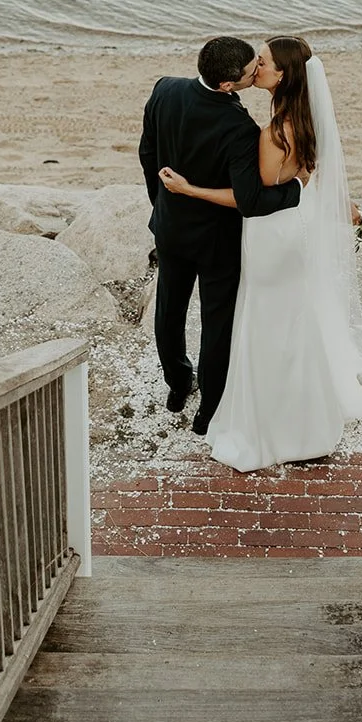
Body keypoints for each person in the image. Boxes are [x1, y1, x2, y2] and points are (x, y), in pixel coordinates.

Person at [159, 36, 362, 471]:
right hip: (277, 234)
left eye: (265, 62)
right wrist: (342, 207)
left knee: (254, 321)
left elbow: (251, 198)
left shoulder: (263, 128)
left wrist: (180, 192)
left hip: (258, 236)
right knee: (277, 321)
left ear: (282, 75)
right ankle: (287, 416)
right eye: (255, 62)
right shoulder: (291, 119)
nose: (257, 66)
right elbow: (294, 183)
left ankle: (240, 411)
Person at [138, 36, 303, 435]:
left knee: (168, 313)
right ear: (229, 85)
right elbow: (249, 200)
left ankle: (178, 386)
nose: (256, 74)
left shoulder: (166, 89)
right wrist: (296, 189)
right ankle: (208, 411)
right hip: (217, 242)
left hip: (171, 229)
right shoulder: (240, 129)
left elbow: (147, 154)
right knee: (217, 325)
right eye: (251, 72)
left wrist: (163, 204)